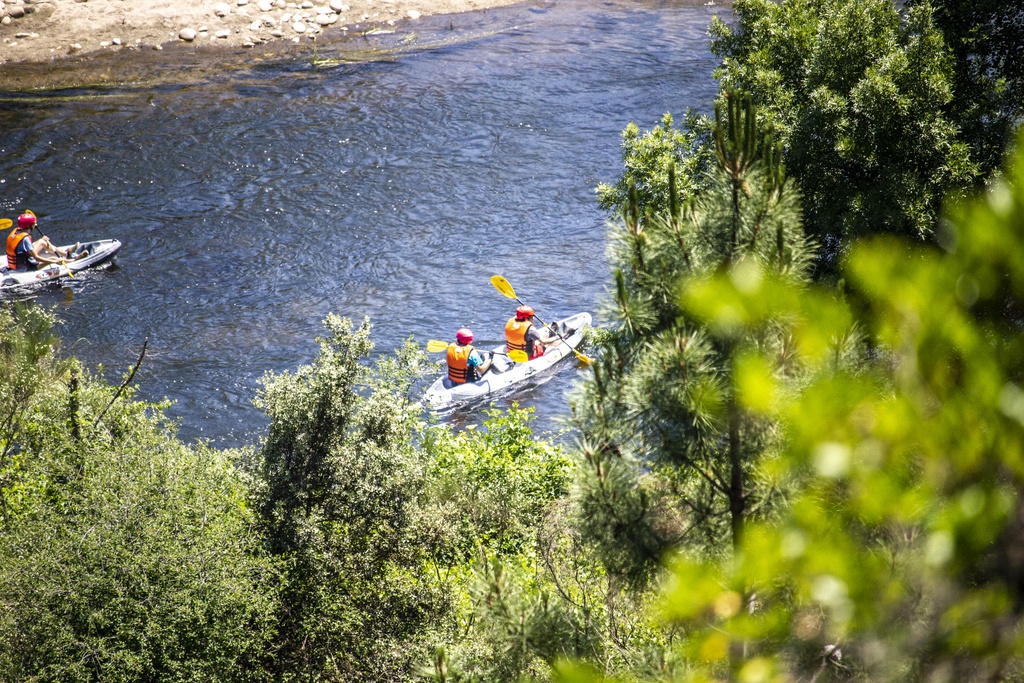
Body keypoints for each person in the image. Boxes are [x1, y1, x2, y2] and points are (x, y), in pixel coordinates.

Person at [5, 211, 79, 271]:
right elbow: (36, 257)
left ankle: (66, 254)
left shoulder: (17, 231)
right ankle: (74, 261)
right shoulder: (25, 239)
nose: (35, 225)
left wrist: (43, 239)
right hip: (24, 267)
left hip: (19, 260)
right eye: (34, 224)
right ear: (29, 226)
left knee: (42, 242)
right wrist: (54, 261)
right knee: (52, 259)